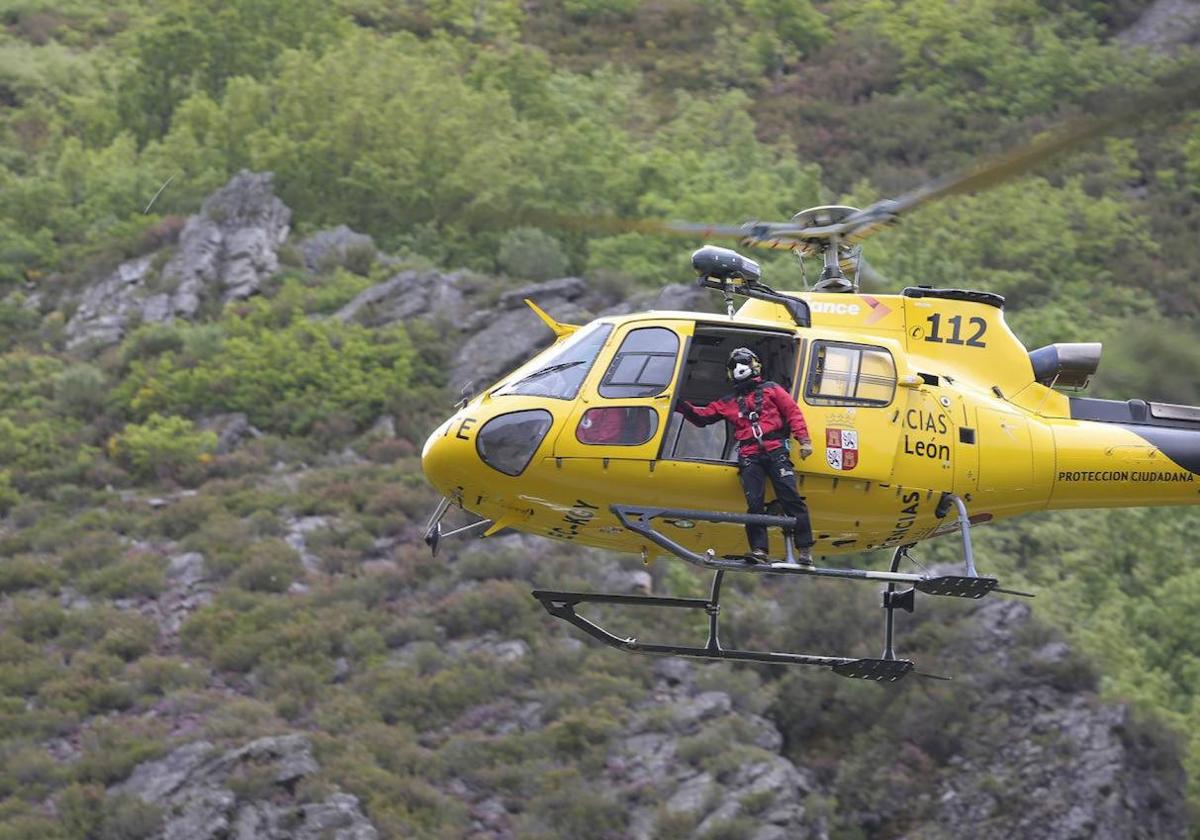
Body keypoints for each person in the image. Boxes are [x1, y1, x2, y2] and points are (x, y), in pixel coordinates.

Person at [676, 348, 816, 565]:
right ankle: (760, 550)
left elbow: (793, 412)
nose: (739, 368)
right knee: (754, 502)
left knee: (791, 497)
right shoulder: (728, 401)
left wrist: (804, 440)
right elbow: (702, 417)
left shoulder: (773, 390)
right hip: (750, 455)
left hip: (776, 450)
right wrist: (678, 402)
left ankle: (804, 548)